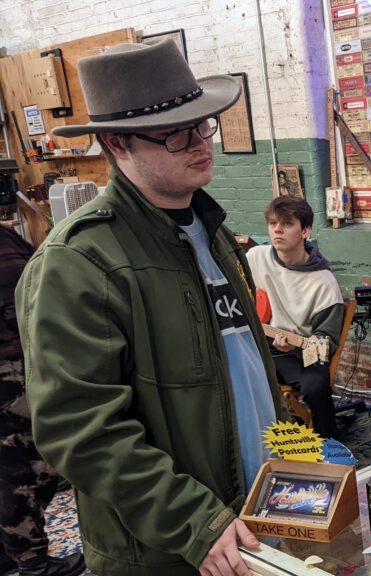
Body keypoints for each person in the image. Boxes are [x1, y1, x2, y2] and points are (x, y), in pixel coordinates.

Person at [16, 40, 286, 576]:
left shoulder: (218, 237)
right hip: (170, 549)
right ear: (117, 142)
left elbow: (246, 373)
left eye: (202, 124)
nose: (199, 142)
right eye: (174, 132)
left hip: (253, 515)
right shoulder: (79, 261)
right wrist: (194, 523)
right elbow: (81, 431)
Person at [1, 226, 86, 576]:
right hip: (11, 374)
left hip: (22, 364)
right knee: (24, 474)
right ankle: (33, 563)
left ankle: (15, 554)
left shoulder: (7, 240)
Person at [246, 196, 345, 441]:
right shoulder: (255, 258)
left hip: (300, 352)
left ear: (305, 231)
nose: (277, 230)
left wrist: (297, 345)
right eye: (272, 223)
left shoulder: (323, 282)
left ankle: (330, 450)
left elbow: (326, 343)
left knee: (317, 387)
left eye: (287, 224)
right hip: (259, 346)